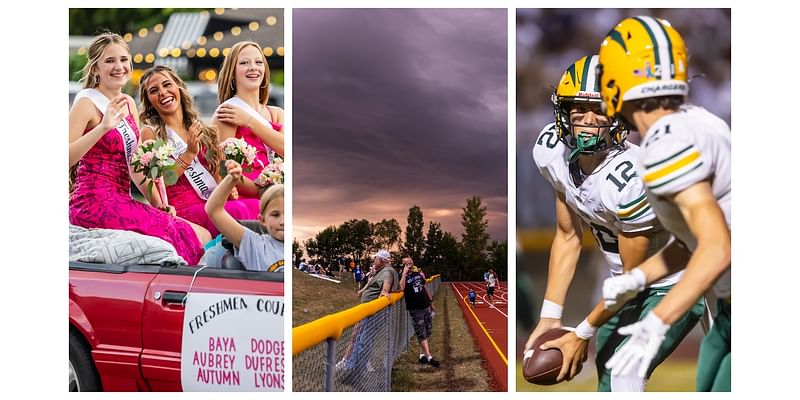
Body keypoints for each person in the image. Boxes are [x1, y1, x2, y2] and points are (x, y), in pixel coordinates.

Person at [523, 55, 702, 391]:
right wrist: (551, 314)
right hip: (629, 283)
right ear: (563, 112)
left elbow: (633, 279)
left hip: (678, 279)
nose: (588, 120)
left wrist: (582, 333)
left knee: (624, 371)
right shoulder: (553, 153)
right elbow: (567, 237)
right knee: (610, 376)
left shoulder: (633, 177)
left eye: (601, 109)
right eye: (579, 109)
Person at [596, 17, 731, 391]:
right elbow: (699, 241)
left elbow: (719, 246)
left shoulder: (665, 144)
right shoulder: (694, 121)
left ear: (616, 79)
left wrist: (658, 321)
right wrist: (638, 279)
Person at [69, 32, 208, 264]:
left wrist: (157, 203)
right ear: (95, 69)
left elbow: (136, 166)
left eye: (123, 60)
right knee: (181, 236)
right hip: (93, 202)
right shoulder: (87, 102)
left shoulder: (128, 103)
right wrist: (102, 128)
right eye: (109, 61)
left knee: (200, 234)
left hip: (120, 199)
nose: (119, 67)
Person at [138, 65, 260, 236]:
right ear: (149, 100)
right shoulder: (149, 133)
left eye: (167, 85)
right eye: (154, 90)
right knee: (238, 211)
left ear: (178, 87)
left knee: (257, 206)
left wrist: (227, 187)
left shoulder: (203, 129)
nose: (163, 92)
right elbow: (160, 183)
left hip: (212, 202)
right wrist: (188, 154)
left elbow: (216, 173)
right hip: (185, 210)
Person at [213, 41, 284, 199]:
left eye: (258, 62)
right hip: (248, 197)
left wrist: (250, 121)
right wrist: (261, 192)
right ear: (232, 72)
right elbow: (222, 166)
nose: (253, 67)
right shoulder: (228, 111)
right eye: (244, 63)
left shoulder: (277, 113)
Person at [205, 160, 284, 272]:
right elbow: (214, 210)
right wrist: (231, 180)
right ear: (262, 220)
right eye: (275, 215)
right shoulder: (255, 245)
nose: (283, 221)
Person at [399, 257, 440, 368]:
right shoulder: (402, 276)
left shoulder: (417, 275)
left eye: (411, 263)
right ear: (403, 265)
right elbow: (401, 288)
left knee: (428, 331)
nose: (409, 265)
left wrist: (431, 302)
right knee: (421, 332)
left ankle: (422, 355)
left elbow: (425, 288)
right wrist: (404, 274)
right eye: (407, 263)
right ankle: (429, 357)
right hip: (415, 308)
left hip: (425, 305)